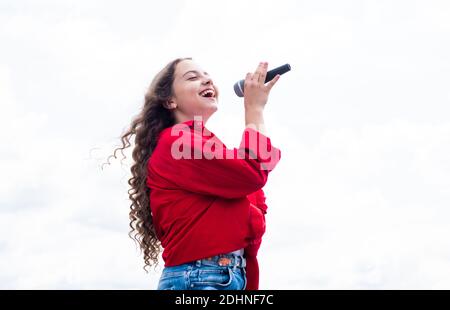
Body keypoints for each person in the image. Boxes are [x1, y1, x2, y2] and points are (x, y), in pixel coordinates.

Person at [108, 57, 281, 290]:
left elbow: (258, 170)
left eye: (207, 75)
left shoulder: (202, 146)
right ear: (170, 101)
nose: (207, 79)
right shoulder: (177, 142)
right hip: (202, 276)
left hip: (222, 275)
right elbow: (252, 174)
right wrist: (254, 109)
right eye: (192, 77)